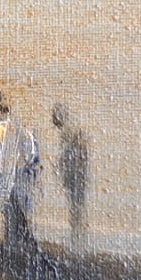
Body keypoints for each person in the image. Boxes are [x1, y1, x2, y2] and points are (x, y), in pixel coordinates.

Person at [0, 91, 41, 259]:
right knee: (22, 217)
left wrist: (3, 169)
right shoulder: (19, 126)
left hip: (8, 179)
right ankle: (24, 252)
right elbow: (30, 153)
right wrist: (20, 166)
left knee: (11, 218)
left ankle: (12, 253)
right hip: (21, 180)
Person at [52, 103, 92, 243]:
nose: (53, 120)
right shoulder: (72, 130)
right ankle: (78, 236)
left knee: (76, 207)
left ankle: (78, 237)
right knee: (77, 206)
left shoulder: (68, 132)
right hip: (77, 175)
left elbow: (68, 155)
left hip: (75, 176)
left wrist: (61, 170)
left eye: (55, 116)